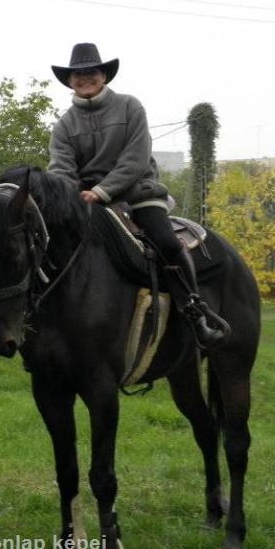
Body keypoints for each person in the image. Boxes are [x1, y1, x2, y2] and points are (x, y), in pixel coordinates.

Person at [48, 42, 227, 349]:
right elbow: (60, 168)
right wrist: (67, 195)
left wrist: (102, 191)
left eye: (91, 72)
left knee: (167, 242)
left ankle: (195, 313)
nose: (84, 78)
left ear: (103, 75)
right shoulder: (63, 125)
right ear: (69, 81)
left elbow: (136, 158)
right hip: (86, 199)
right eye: (77, 74)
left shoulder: (130, 107)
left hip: (136, 193)